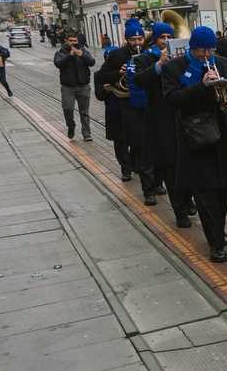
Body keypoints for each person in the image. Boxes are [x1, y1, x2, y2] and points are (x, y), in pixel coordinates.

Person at [161, 26, 227, 261]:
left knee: (224, 189)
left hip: (222, 136)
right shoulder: (174, 67)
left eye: (210, 50)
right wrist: (201, 86)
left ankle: (218, 229)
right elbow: (172, 99)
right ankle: (215, 243)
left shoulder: (223, 63)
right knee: (205, 193)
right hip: (195, 137)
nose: (206, 55)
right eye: (201, 51)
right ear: (192, 48)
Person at [136, 22, 192, 227]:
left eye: (169, 37)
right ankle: (180, 211)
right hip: (161, 120)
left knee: (188, 165)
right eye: (162, 37)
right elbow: (139, 80)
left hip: (184, 118)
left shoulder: (183, 58)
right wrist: (160, 64)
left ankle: (188, 200)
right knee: (170, 167)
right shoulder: (144, 58)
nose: (166, 41)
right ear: (155, 39)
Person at [100, 20, 144, 182]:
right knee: (121, 139)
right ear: (127, 40)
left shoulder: (147, 53)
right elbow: (100, 76)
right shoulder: (116, 55)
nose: (137, 43)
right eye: (133, 39)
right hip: (120, 103)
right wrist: (118, 73)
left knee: (139, 138)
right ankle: (125, 168)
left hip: (138, 102)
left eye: (140, 39)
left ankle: (135, 163)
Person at [53, 31, 96, 141]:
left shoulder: (83, 50)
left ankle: (86, 134)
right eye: (71, 41)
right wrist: (70, 56)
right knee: (68, 109)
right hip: (68, 87)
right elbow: (58, 63)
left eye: (75, 40)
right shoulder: (61, 52)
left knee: (84, 112)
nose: (73, 43)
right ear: (66, 41)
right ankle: (71, 125)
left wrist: (82, 55)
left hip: (83, 86)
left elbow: (92, 62)